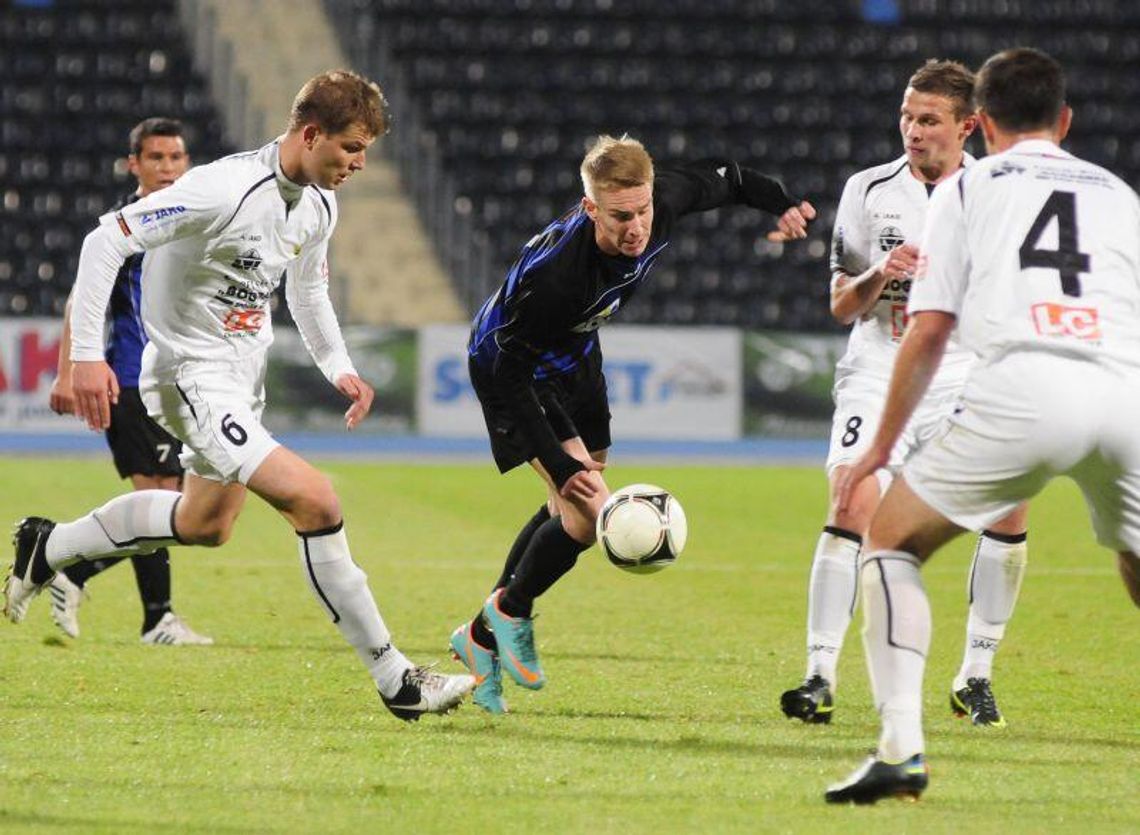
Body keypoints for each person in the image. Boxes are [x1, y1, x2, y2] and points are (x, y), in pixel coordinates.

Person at [4, 69, 474, 721]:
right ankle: (397, 677)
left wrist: (338, 364)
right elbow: (104, 239)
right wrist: (84, 356)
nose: (360, 164)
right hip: (189, 374)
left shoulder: (319, 202)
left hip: (238, 378)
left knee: (205, 524)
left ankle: (46, 545)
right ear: (310, 134)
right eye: (351, 148)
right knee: (317, 499)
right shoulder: (218, 190)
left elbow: (306, 291)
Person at [824, 47, 1140, 804]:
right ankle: (973, 677)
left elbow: (929, 329)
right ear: (1064, 121)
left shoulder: (967, 187)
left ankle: (901, 750)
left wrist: (878, 450)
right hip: (1126, 391)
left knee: (890, 541)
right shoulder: (1119, 193)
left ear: (982, 123)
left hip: (1028, 385)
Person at [447, 134, 816, 713]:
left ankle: (481, 635)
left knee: (571, 503)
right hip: (511, 368)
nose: (636, 227)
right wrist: (558, 462)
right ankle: (506, 614)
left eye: (642, 211)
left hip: (577, 353)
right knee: (589, 505)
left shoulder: (659, 200)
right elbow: (511, 374)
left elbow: (730, 177)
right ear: (591, 208)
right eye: (620, 216)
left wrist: (782, 203)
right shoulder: (556, 276)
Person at [781, 60, 1029, 729]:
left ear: (968, 126)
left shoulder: (1000, 192)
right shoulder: (869, 189)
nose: (913, 131)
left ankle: (976, 673)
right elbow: (839, 304)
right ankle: (819, 674)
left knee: (1010, 505)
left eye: (928, 120)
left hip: (960, 374)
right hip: (879, 367)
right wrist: (879, 272)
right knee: (851, 497)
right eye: (906, 117)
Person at [45, 117, 212, 646]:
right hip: (133, 380)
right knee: (161, 498)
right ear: (133, 164)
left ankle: (73, 571)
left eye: (176, 157)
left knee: (182, 507)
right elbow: (81, 299)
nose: (167, 167)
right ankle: (157, 619)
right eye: (156, 157)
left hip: (182, 377)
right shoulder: (124, 228)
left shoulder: (194, 218)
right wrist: (68, 370)